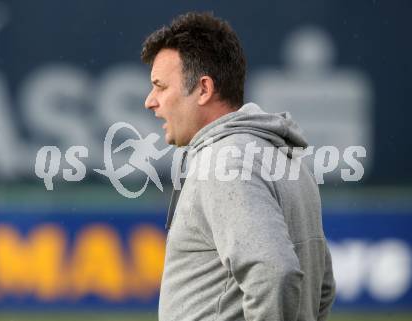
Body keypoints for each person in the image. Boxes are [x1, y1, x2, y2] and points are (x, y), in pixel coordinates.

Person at [141, 12, 336, 321]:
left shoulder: (224, 163)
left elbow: (275, 271)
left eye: (160, 86)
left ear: (203, 89)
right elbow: (321, 288)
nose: (150, 101)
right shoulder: (283, 155)